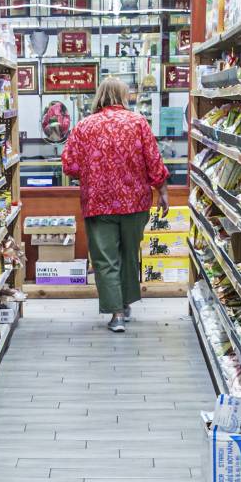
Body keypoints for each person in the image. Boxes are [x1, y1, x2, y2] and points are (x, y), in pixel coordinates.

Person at [60, 76, 168, 333]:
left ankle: (116, 313)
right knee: (130, 254)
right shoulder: (138, 122)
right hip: (135, 202)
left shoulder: (84, 126)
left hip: (98, 203)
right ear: (124, 96)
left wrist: (92, 171)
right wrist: (163, 191)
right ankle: (126, 302)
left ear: (100, 96)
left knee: (105, 259)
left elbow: (70, 165)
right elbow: (154, 161)